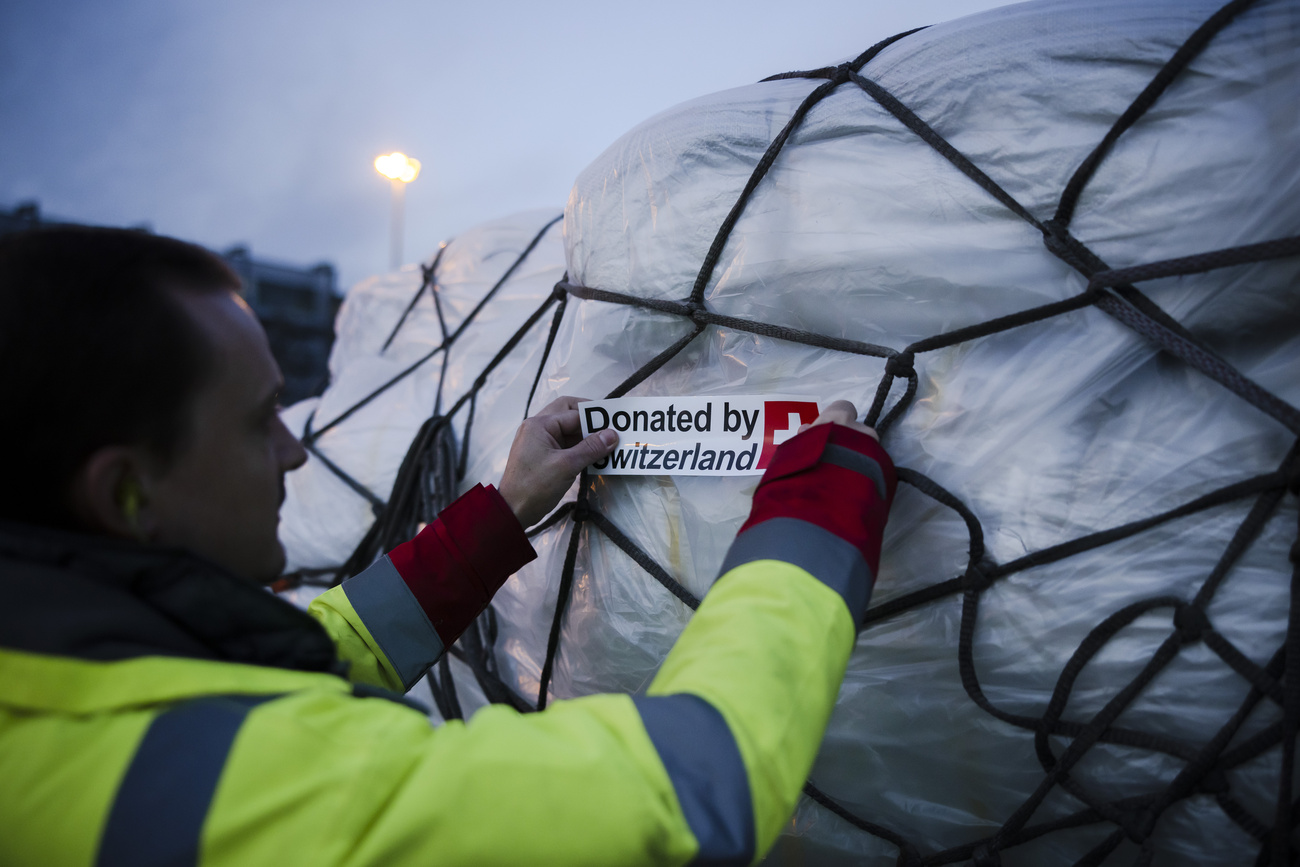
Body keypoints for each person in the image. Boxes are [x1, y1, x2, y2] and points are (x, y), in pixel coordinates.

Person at [0, 225, 896, 866]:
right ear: (125, 491)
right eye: (259, 418)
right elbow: (688, 792)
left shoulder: (64, 678)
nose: (296, 446)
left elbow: (316, 652)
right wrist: (818, 503)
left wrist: (502, 511)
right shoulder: (233, 797)